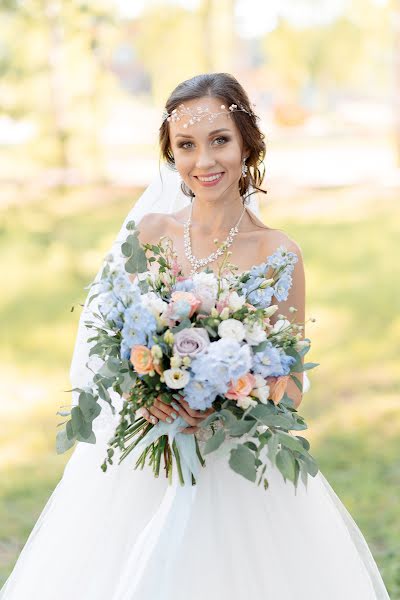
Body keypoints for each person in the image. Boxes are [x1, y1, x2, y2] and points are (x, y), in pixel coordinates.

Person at [0, 73, 390, 599]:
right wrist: (145, 397)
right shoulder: (151, 234)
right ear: (171, 154)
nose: (204, 162)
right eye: (186, 146)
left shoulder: (278, 253)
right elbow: (123, 343)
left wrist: (235, 404)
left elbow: (292, 384)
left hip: (235, 462)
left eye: (219, 141)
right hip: (147, 459)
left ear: (247, 144)